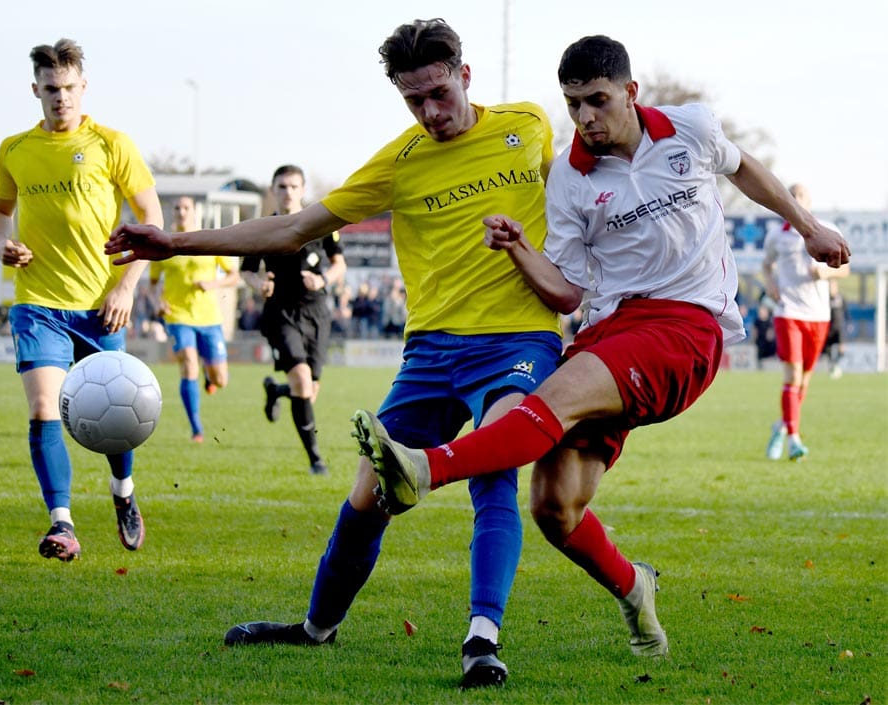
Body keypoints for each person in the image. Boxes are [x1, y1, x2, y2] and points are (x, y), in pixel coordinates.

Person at [347, 34, 851, 662]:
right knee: (554, 506)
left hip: (686, 326)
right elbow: (566, 295)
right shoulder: (569, 179)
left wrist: (809, 227)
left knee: (551, 397)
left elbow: (743, 166)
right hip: (610, 332)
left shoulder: (689, 129)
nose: (585, 118)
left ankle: (424, 468)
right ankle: (634, 587)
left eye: (597, 101)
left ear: (630, 93)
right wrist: (519, 250)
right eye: (573, 105)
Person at [107, 18, 562, 689]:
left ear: (465, 76)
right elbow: (292, 227)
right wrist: (174, 244)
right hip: (432, 350)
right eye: (414, 100)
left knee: (495, 463)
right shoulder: (399, 162)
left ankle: (481, 638)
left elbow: (586, 195)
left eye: (439, 93)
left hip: (519, 339)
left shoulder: (530, 126)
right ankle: (316, 628)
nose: (430, 112)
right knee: (370, 492)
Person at [0, 38, 163, 561]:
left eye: (68, 88)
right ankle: (62, 524)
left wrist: (126, 286)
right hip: (37, 302)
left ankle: (123, 494)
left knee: (118, 418)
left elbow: (150, 220)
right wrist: (1, 244)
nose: (60, 97)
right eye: (50, 89)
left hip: (100, 305)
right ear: (35, 89)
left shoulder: (112, 144)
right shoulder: (14, 150)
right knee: (44, 409)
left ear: (82, 87)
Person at [240, 165, 347, 476]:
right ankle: (316, 459)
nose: (287, 192)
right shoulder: (262, 229)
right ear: (273, 191)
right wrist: (258, 284)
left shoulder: (321, 223)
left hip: (317, 313)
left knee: (309, 390)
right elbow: (246, 270)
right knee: (301, 379)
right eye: (282, 186)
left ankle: (276, 391)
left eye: (293, 186)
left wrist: (324, 279)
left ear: (303, 190)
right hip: (280, 313)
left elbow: (340, 264)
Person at [762, 184, 849, 460]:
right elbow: (765, 265)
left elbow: (845, 268)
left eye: (802, 197)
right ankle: (794, 440)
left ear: (809, 202)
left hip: (818, 315)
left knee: (805, 381)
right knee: (794, 376)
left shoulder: (827, 229)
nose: (797, 201)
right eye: (793, 196)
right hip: (788, 312)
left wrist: (825, 274)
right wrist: (770, 286)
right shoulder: (777, 235)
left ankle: (781, 427)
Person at [149, 196, 240, 443]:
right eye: (177, 207)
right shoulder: (163, 244)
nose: (181, 212)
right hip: (177, 316)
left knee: (221, 380)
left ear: (194, 211)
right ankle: (196, 429)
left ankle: (210, 377)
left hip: (209, 318)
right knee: (188, 362)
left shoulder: (208, 241)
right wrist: (158, 302)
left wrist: (214, 283)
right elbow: (153, 284)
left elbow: (234, 276)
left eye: (186, 207)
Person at [824, 280, 848, 378]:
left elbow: (845, 311)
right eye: (830, 286)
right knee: (828, 349)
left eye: (833, 286)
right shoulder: (825, 298)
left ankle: (836, 364)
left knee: (842, 349)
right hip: (829, 327)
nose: (831, 288)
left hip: (840, 327)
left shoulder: (841, 298)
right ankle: (832, 364)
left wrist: (849, 323)